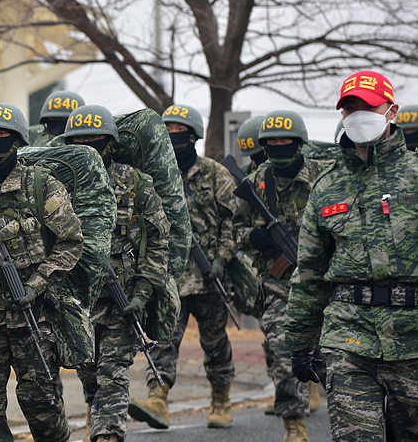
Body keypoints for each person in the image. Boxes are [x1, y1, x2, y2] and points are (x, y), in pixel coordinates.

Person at [286, 71, 418, 442]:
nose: (357, 115)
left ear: (391, 111)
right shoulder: (326, 186)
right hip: (349, 338)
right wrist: (299, 341)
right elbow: (309, 272)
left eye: (367, 106)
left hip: (413, 336)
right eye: (349, 108)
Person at [0, 102, 84, 442]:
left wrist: (37, 284)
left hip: (32, 314)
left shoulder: (42, 186)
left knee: (42, 406)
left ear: (16, 141)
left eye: (2, 134)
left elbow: (71, 242)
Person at [64, 105, 170, 442]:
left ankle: (107, 435)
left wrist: (141, 294)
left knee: (113, 372)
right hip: (79, 301)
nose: (89, 145)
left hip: (122, 301)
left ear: (110, 143)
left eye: (95, 139)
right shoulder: (60, 185)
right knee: (89, 374)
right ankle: (97, 420)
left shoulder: (136, 184)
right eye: (80, 140)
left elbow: (158, 244)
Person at [129, 104, 237, 430]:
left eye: (179, 132)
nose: (173, 138)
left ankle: (221, 398)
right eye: (168, 132)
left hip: (208, 278)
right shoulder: (153, 175)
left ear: (193, 136)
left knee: (215, 343)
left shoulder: (216, 174)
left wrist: (221, 259)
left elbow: (233, 223)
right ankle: (158, 398)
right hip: (169, 276)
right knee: (162, 339)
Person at [233, 110, 324, 442]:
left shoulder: (322, 176)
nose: (279, 145)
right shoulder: (257, 180)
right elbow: (235, 228)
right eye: (272, 141)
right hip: (278, 284)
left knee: (327, 355)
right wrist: (253, 238)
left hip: (324, 282)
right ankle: (294, 425)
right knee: (283, 352)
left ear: (299, 142)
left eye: (285, 140)